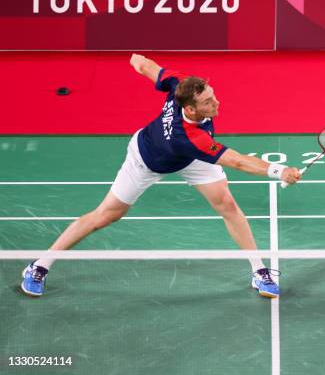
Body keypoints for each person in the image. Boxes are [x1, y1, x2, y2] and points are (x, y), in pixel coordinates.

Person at [21, 54, 302, 298]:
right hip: (147, 159)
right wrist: (279, 171)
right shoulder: (191, 137)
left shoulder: (181, 86)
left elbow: (146, 66)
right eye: (208, 101)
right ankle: (39, 266)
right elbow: (238, 162)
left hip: (190, 159)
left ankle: (259, 271)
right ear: (190, 109)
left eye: (213, 94)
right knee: (105, 216)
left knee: (227, 205)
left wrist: (136, 59)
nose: (216, 102)